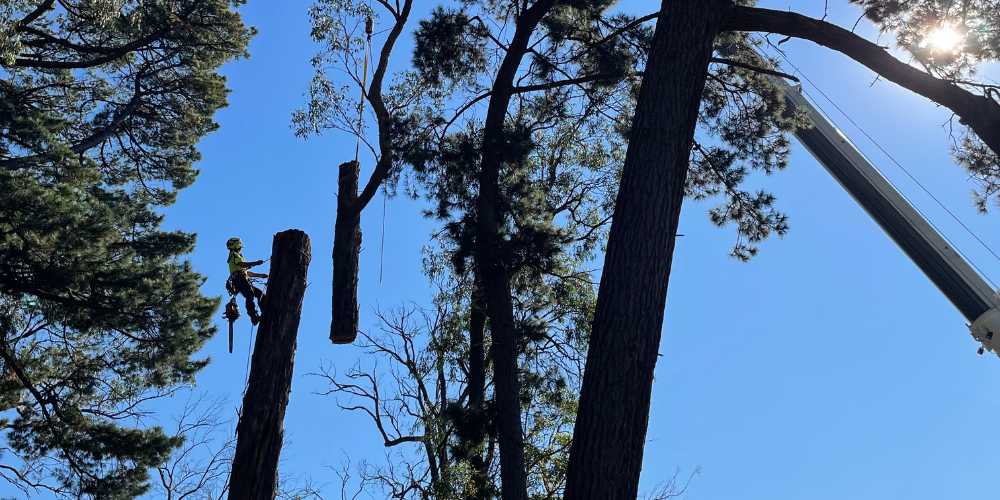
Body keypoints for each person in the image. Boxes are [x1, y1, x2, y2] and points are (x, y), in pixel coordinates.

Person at [226, 237, 266, 325]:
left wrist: (261, 275)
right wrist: (255, 263)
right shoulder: (234, 255)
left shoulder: (237, 256)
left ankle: (265, 311)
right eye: (240, 246)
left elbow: (246, 272)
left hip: (242, 279)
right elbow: (242, 265)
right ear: (236, 246)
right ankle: (253, 316)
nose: (241, 248)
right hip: (239, 280)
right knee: (250, 295)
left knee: (260, 294)